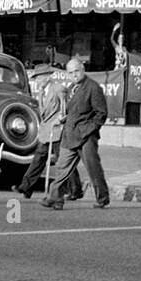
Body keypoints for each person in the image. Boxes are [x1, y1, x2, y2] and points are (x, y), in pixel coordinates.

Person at [41, 57, 109, 210]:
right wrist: (63, 118)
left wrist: (88, 130)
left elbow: (101, 114)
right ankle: (56, 199)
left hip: (86, 137)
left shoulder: (93, 87)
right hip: (70, 134)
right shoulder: (71, 88)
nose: (74, 75)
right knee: (61, 167)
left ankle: (102, 198)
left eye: (76, 71)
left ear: (83, 70)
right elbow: (72, 111)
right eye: (71, 72)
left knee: (93, 168)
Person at [15, 67, 84, 201]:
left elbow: (66, 109)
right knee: (38, 159)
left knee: (63, 161)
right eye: (36, 78)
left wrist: (61, 119)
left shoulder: (59, 89)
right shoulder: (41, 93)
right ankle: (26, 187)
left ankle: (76, 190)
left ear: (47, 77)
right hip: (47, 133)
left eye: (40, 78)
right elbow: (44, 114)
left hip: (59, 132)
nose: (38, 81)